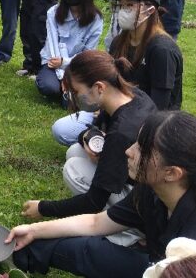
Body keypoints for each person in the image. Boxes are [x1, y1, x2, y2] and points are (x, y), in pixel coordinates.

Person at [4, 110, 196, 278]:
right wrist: (33, 231)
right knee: (87, 250)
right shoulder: (154, 192)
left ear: (172, 173)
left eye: (142, 149)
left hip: (171, 271)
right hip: (155, 265)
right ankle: (18, 257)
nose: (129, 151)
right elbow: (96, 223)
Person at [22, 50, 157, 246]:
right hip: (138, 179)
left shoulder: (121, 133)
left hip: (143, 201)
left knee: (73, 169)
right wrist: (86, 136)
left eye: (76, 92)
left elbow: (94, 201)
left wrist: (43, 208)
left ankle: (129, 231)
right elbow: (92, 130)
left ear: (99, 87)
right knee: (74, 152)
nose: (75, 97)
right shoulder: (133, 95)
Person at [51, 0, 183, 146]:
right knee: (61, 129)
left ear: (150, 10)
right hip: (115, 109)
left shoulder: (162, 50)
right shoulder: (119, 42)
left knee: (81, 154)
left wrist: (119, 129)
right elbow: (110, 82)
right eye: (120, 5)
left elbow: (160, 106)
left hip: (150, 123)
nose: (122, 11)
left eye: (130, 6)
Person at [34, 0, 103, 100]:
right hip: (53, 63)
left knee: (77, 98)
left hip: (78, 66)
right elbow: (52, 42)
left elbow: (88, 52)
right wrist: (61, 73)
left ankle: (69, 92)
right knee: (49, 88)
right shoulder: (53, 12)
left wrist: (65, 64)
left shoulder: (96, 19)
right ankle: (59, 87)